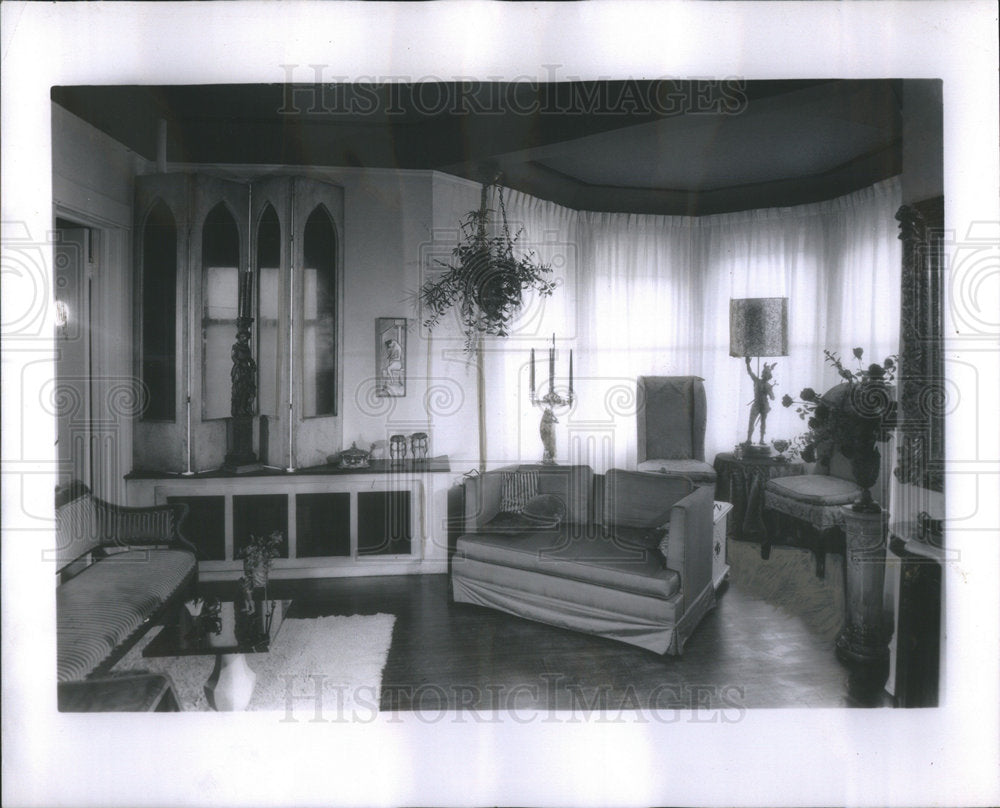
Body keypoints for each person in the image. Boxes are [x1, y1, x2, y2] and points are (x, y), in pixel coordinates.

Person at [745, 357, 776, 445]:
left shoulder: (768, 386)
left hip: (764, 405)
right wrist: (747, 364)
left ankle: (761, 439)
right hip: (756, 404)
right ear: (763, 374)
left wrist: (770, 391)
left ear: (769, 376)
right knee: (751, 422)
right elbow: (750, 372)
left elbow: (773, 398)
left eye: (767, 374)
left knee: (763, 423)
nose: (766, 376)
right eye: (765, 373)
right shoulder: (756, 381)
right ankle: (749, 439)